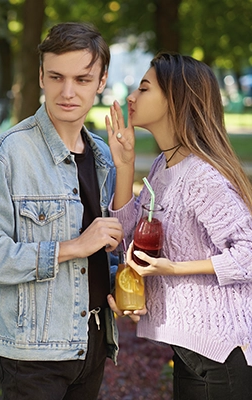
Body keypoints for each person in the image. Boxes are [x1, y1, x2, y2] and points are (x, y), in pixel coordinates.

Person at [0, 22, 124, 399]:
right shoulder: (6, 156)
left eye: (82, 79)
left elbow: (101, 250)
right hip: (33, 353)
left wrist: (117, 280)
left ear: (101, 82)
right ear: (40, 77)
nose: (68, 92)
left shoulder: (102, 157)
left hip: (93, 340)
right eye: (56, 77)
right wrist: (72, 247)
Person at [106, 52, 252, 399]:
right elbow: (124, 234)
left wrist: (173, 268)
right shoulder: (164, 165)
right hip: (191, 350)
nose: (131, 97)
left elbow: (248, 252)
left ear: (175, 98)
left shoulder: (202, 176)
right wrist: (124, 165)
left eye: (144, 88)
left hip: (220, 355)